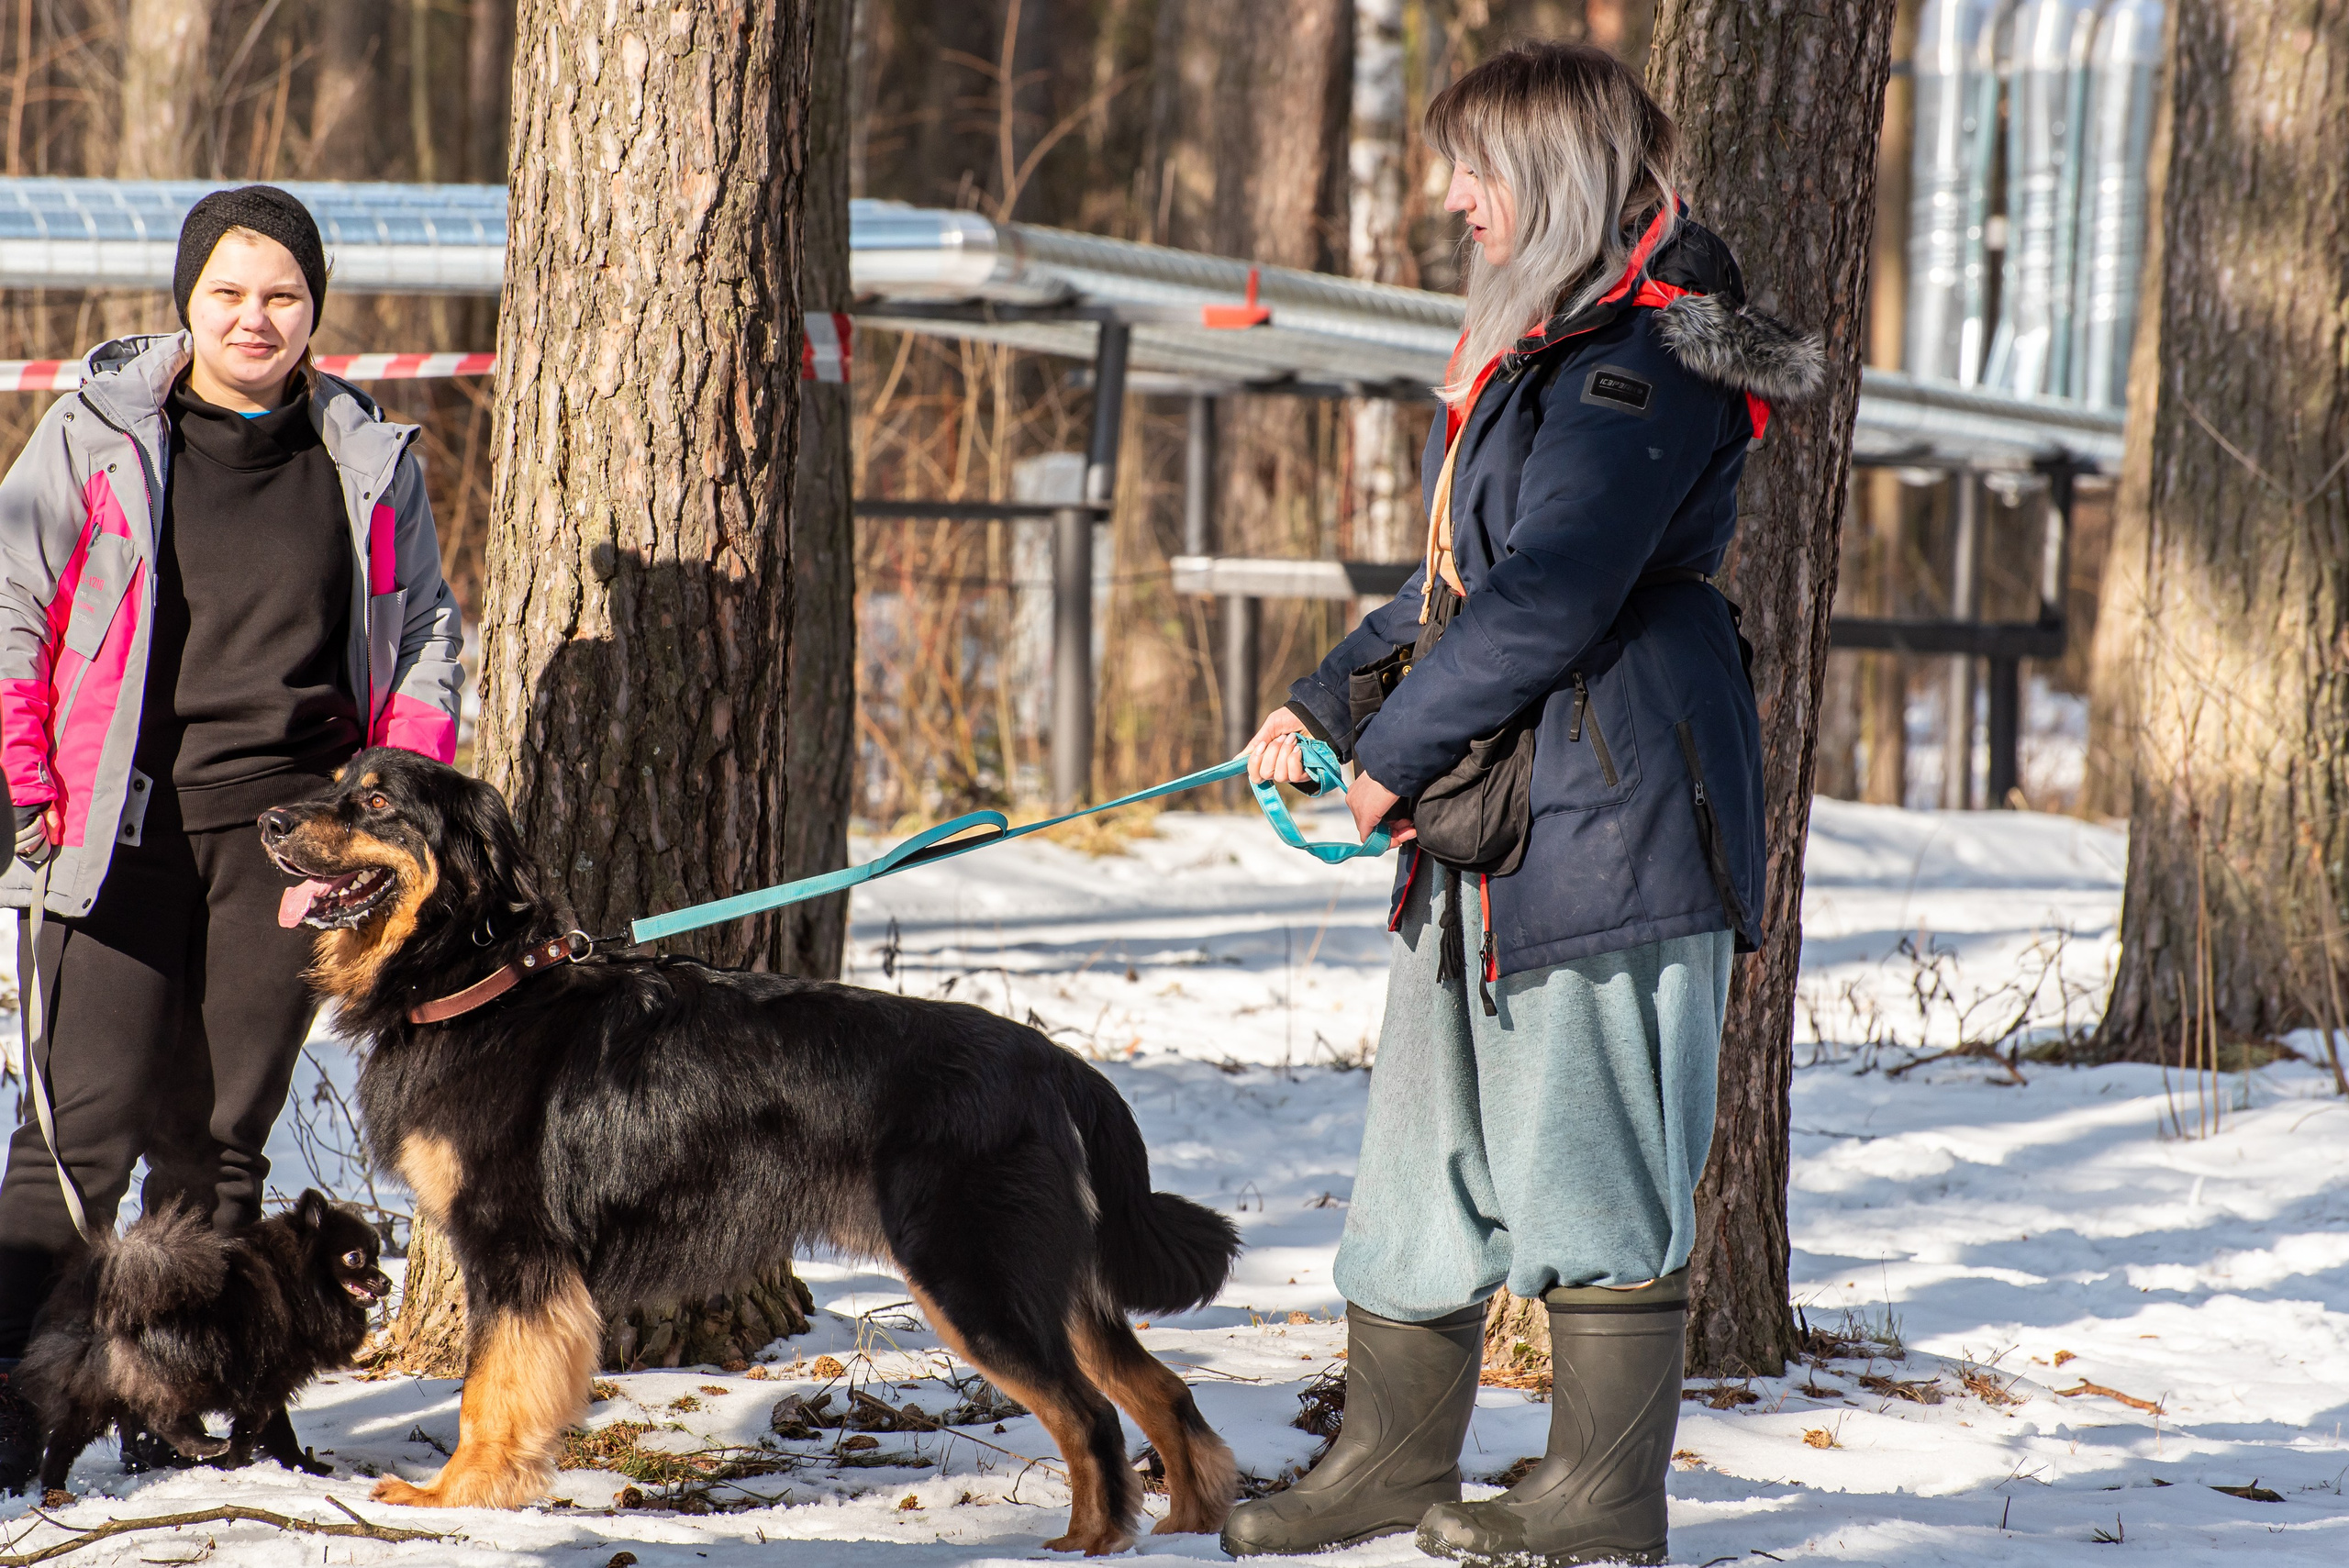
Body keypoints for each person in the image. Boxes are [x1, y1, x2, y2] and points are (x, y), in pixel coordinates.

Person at [1219, 44, 1818, 1568]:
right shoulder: (1544, 345)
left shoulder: (1653, 352)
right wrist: (1327, 704)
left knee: (1589, 1155)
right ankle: (1389, 1459)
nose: (1450, 199)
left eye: (1473, 168)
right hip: (1490, 809)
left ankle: (1601, 1494)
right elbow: (1459, 584)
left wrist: (1386, 761)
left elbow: (1553, 587)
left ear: (1549, 174)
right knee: (1421, 1159)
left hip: (1613, 820)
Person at [0, 185, 463, 1492]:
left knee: (219, 1136)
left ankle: (182, 1398)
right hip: (111, 821)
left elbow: (426, 628)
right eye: (229, 293)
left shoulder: (365, 457)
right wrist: (23, 764)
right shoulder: (95, 435)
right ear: (187, 301)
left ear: (315, 310)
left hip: (291, 845)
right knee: (79, 1132)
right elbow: (13, 599)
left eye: (283, 296)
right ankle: (10, 1391)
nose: (255, 318)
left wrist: (395, 789)